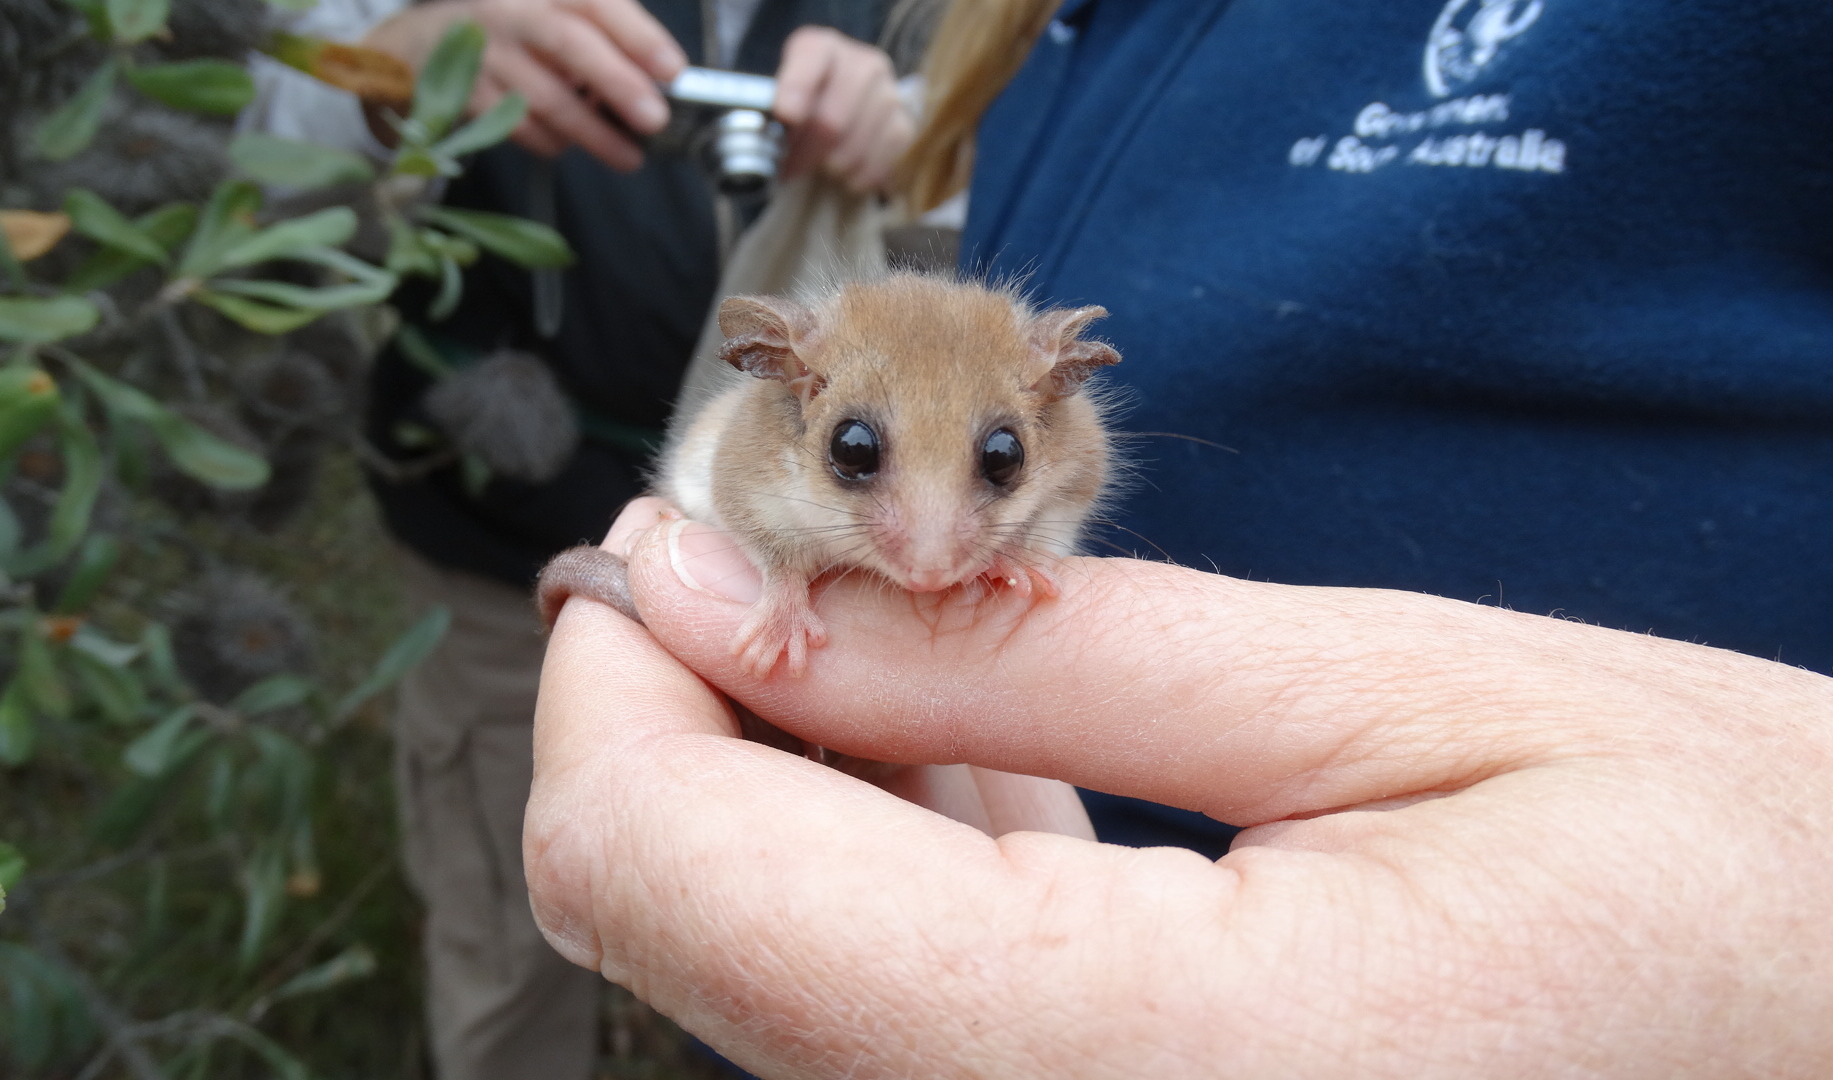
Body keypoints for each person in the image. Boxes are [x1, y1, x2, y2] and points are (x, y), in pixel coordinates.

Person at [522, 0, 1833, 1072]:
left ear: (1055, 388)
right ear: (795, 386)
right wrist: (792, 585)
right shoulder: (1035, 37)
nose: (930, 551)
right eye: (859, 461)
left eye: (995, 468)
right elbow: (751, 485)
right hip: (923, 865)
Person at [250, 3, 918, 1078]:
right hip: (503, 547)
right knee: (516, 929)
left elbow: (1020, 188)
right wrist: (401, 68)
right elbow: (246, 167)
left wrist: (910, 134)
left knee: (809, 938)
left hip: (826, 573)